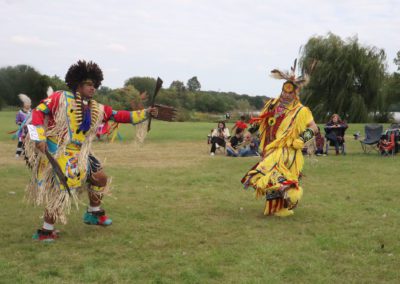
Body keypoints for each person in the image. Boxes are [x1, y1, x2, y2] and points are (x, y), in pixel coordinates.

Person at [24, 60, 159, 242]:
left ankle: (93, 213)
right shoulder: (59, 98)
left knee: (100, 177)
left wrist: (146, 113)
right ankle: (46, 230)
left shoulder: (96, 107)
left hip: (81, 152)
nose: (92, 88)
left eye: (94, 85)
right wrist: (38, 136)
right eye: (88, 84)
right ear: (77, 84)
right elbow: (37, 112)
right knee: (62, 191)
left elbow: (119, 115)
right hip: (59, 150)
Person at [241, 61, 318, 217]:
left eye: (290, 92)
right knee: (271, 177)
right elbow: (262, 120)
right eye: (284, 91)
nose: (286, 94)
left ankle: (286, 203)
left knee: (279, 176)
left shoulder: (302, 111)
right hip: (270, 148)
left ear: (296, 93)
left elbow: (314, 128)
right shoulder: (272, 104)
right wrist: (250, 131)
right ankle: (276, 208)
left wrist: (302, 139)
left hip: (289, 151)